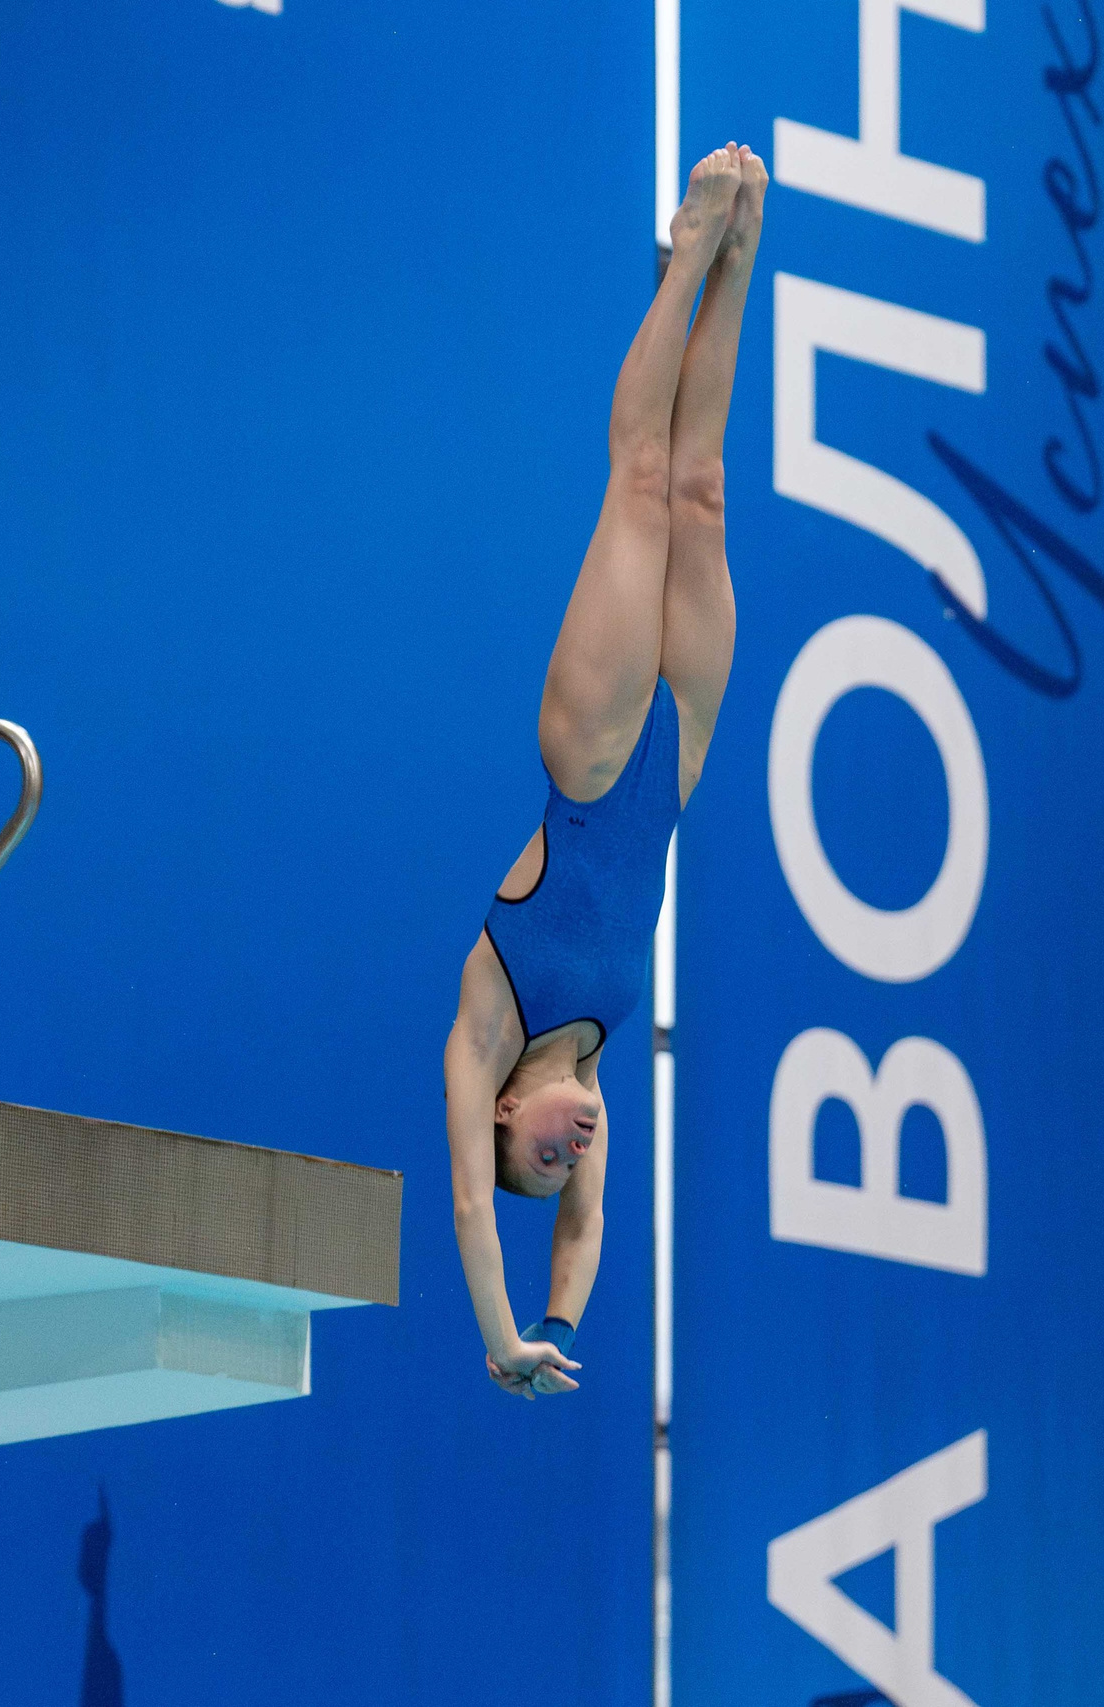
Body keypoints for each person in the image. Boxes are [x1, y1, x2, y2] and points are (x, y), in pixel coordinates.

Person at [443, 143, 765, 1401]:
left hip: (591, 755)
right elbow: (579, 1228)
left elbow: (480, 1210)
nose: (569, 1152)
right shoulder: (597, 1074)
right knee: (704, 489)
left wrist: (507, 1336)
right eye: (568, 1161)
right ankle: (739, 262)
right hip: (675, 763)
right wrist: (566, 1325)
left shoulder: (488, 1026)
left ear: (503, 1122)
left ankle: (684, 250)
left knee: (637, 485)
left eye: (542, 1154)